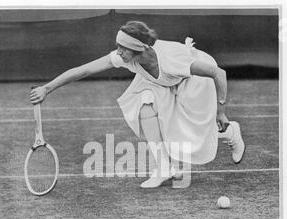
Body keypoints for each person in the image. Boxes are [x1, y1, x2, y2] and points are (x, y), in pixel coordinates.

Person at [30, 20, 245, 188]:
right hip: (160, 80)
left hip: (198, 80)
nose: (118, 52)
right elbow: (84, 69)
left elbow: (219, 73)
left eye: (123, 48)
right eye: (118, 47)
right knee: (145, 103)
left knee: (194, 132)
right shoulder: (126, 57)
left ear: (139, 49)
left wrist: (221, 111)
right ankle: (163, 168)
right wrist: (47, 88)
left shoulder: (170, 59)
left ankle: (230, 132)